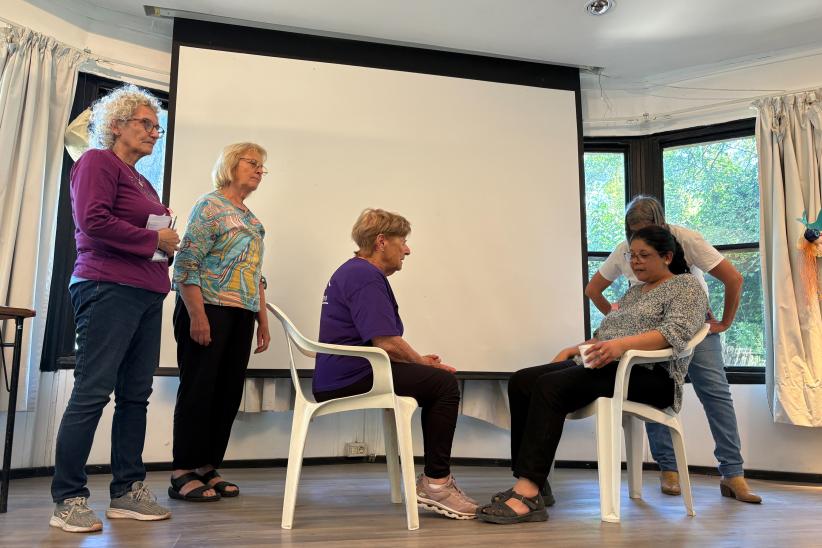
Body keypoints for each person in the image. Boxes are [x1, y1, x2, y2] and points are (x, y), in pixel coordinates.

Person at [477, 226, 708, 524]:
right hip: (608, 366)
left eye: (644, 255)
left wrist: (619, 347)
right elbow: (605, 336)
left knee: (550, 386)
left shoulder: (686, 286)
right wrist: (573, 349)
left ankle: (527, 494)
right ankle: (535, 481)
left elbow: (673, 334)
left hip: (650, 376)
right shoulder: (635, 292)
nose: (635, 262)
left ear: (666, 257)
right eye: (632, 255)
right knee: (523, 380)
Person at [50, 84, 178, 533]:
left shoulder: (141, 179)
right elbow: (93, 221)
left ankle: (126, 492)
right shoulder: (96, 161)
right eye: (146, 123)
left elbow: (138, 229)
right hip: (106, 286)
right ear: (117, 124)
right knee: (91, 392)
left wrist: (165, 246)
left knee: (135, 397)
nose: (153, 132)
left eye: (157, 127)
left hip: (145, 291)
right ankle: (68, 497)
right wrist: (154, 240)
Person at [585, 195, 761, 503]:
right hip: (651, 333)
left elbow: (733, 278)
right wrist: (617, 319)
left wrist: (725, 322)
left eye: (649, 228)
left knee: (715, 394)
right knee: (652, 394)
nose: (642, 236)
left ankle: (733, 474)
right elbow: (593, 289)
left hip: (695, 328)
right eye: (634, 230)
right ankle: (669, 470)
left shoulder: (687, 239)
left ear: (662, 224)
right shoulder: (625, 252)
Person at [314, 208, 478, 520]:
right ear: (381, 242)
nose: (407, 249)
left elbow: (381, 343)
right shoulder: (364, 276)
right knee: (443, 385)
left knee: (433, 379)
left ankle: (435, 482)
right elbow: (386, 342)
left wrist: (418, 363)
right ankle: (437, 485)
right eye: (402, 241)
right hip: (352, 375)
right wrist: (422, 365)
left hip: (345, 372)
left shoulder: (354, 271)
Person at [169, 143, 271, 501]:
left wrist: (263, 320)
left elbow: (255, 274)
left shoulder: (251, 218)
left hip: (241, 314)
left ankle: (206, 466)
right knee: (199, 387)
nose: (259, 170)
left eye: (263, 167)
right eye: (253, 163)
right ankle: (182, 470)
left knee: (226, 393)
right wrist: (197, 315)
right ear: (231, 165)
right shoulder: (209, 206)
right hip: (207, 308)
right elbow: (185, 264)